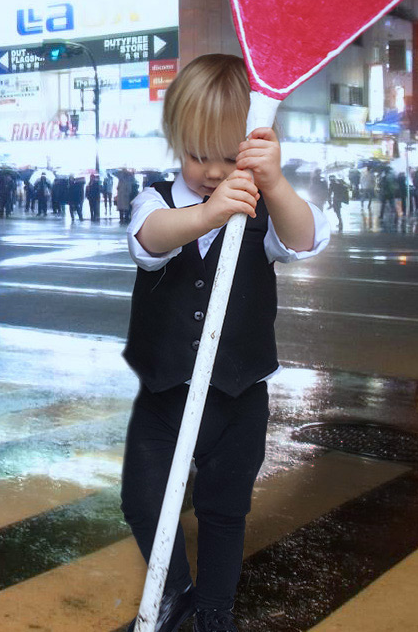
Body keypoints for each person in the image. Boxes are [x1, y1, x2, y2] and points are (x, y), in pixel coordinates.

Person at [121, 54, 329, 632]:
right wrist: (209, 214)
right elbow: (149, 240)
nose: (212, 172)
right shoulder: (158, 200)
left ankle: (214, 609)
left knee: (223, 509)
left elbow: (305, 240)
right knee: (143, 501)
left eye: (229, 156)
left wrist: (275, 183)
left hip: (237, 397)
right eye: (196, 156)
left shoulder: (263, 211)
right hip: (165, 393)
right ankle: (177, 588)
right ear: (174, 144)